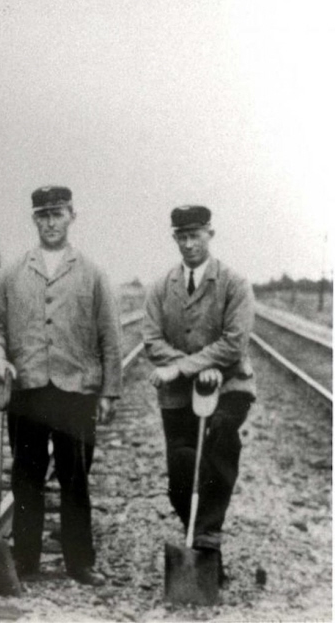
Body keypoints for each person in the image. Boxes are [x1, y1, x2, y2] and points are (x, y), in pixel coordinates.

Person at [0, 186, 121, 587]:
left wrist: (109, 391)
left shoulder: (92, 273)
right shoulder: (11, 272)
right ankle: (25, 559)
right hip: (28, 389)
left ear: (72, 215)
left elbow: (110, 335)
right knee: (27, 476)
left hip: (76, 391)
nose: (51, 222)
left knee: (75, 478)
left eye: (57, 214)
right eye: (43, 215)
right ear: (34, 220)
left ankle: (79, 561)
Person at [143, 204, 255, 584]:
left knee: (218, 451)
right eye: (182, 237)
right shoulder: (161, 287)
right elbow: (151, 340)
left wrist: (183, 367)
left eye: (196, 235)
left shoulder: (234, 284)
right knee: (180, 467)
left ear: (210, 234)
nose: (189, 244)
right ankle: (206, 548)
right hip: (176, 395)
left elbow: (234, 344)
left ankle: (206, 547)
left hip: (229, 388)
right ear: (175, 238)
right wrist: (188, 368)